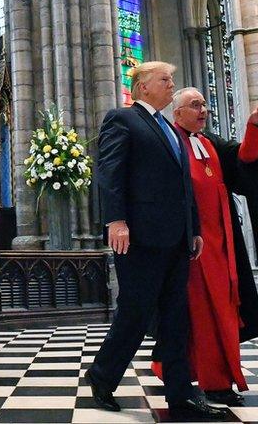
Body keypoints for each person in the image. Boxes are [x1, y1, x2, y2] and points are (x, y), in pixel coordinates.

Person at [87, 62, 226, 419]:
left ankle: (180, 394)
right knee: (135, 313)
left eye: (171, 80)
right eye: (165, 80)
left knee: (176, 318)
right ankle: (102, 376)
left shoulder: (168, 127)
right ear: (142, 87)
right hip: (141, 237)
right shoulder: (123, 119)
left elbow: (183, 184)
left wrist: (192, 227)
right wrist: (116, 220)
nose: (171, 85)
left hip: (176, 237)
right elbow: (110, 173)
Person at [151, 88, 258, 406]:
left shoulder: (211, 143)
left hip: (223, 245)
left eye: (205, 104)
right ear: (177, 113)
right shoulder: (169, 143)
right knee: (198, 317)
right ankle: (211, 381)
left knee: (224, 312)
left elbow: (244, 160)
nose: (203, 110)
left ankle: (206, 376)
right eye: (195, 105)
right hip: (190, 250)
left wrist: (255, 128)